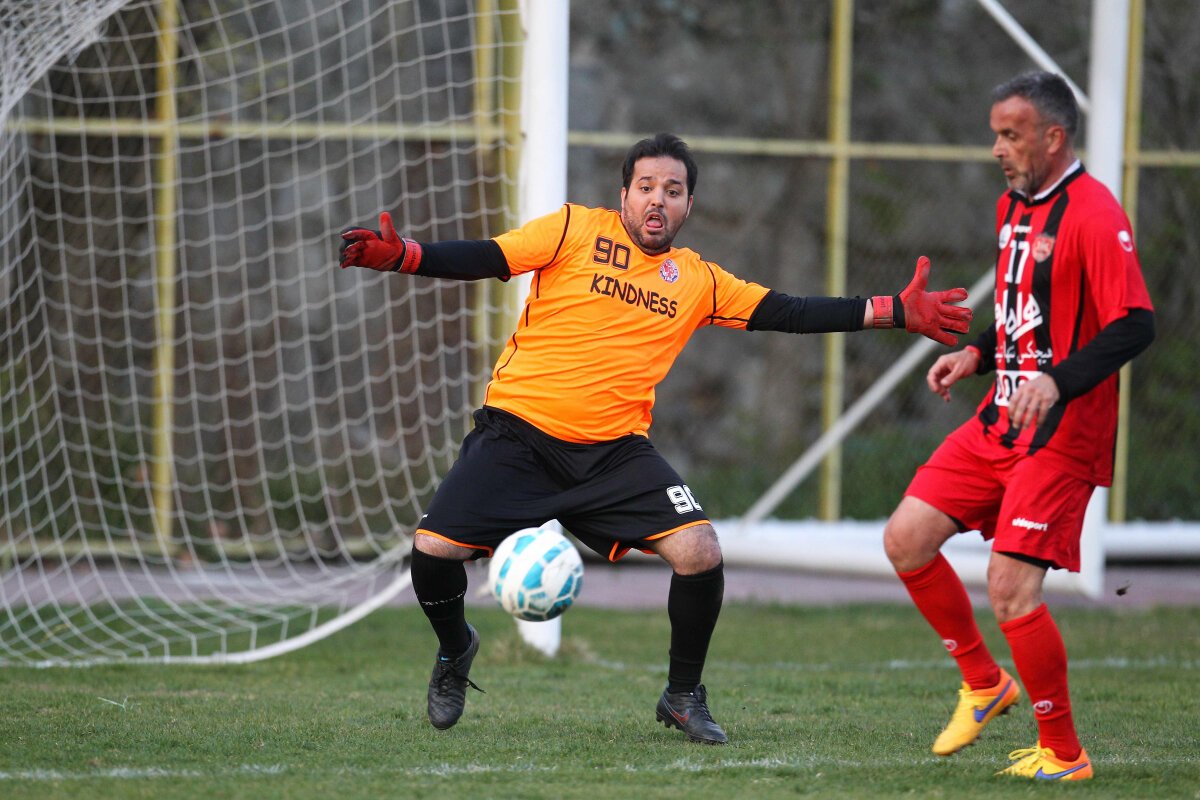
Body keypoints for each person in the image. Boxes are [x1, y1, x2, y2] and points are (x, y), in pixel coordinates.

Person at [340, 133, 972, 743]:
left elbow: (790, 311)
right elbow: (489, 257)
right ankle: (455, 649)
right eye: (645, 186)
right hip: (518, 436)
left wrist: (893, 309)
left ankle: (682, 696)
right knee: (431, 553)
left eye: (672, 190)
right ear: (623, 195)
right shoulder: (572, 229)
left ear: (688, 206)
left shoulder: (697, 280)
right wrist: (407, 256)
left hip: (613, 453)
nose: (657, 199)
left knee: (700, 551)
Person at [882, 72, 1155, 780]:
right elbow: (1022, 314)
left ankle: (1064, 754)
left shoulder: (1094, 213)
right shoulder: (1013, 206)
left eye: (1011, 135)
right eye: (996, 134)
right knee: (906, 539)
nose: (998, 148)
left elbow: (1135, 323)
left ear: (1053, 137)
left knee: (1010, 588)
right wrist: (976, 355)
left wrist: (1058, 380)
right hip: (1001, 419)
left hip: (1063, 433)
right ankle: (984, 683)